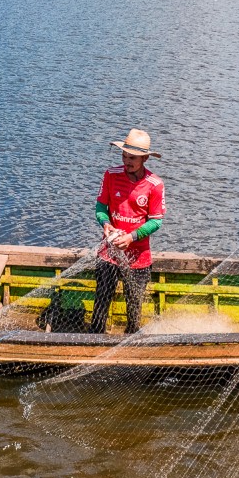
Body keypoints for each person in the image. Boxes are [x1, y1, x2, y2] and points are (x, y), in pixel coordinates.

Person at [90, 128, 167, 335]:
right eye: (124, 155)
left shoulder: (155, 184)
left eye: (132, 158)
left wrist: (131, 237)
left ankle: (131, 337)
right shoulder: (111, 175)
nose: (126, 161)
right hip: (109, 253)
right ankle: (95, 338)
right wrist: (106, 224)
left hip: (138, 256)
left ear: (145, 159)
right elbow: (100, 208)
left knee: (134, 304)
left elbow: (156, 221)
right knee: (102, 299)